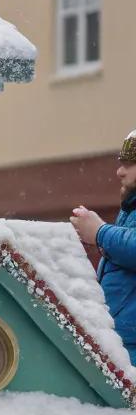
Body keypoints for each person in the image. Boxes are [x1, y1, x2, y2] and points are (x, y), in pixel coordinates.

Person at [71, 131, 136, 362]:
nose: (120, 171)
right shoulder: (130, 207)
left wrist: (99, 232)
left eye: (130, 164)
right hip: (122, 339)